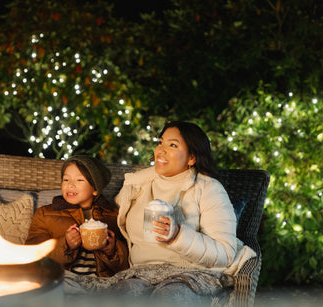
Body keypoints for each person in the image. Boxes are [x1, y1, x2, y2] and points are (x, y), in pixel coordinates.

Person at [64, 122, 256, 306]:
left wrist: (177, 236)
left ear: (191, 158)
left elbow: (226, 253)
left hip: (190, 274)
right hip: (140, 273)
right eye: (160, 142)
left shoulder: (208, 188)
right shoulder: (137, 185)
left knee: (172, 296)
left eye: (172, 145)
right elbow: (112, 221)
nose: (160, 150)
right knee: (124, 294)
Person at [25, 155, 129, 277]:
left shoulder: (113, 215)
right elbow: (32, 256)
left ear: (95, 189)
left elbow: (125, 265)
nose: (70, 185)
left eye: (79, 180)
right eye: (66, 180)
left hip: (102, 283)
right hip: (64, 280)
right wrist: (66, 245)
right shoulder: (45, 214)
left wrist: (111, 250)